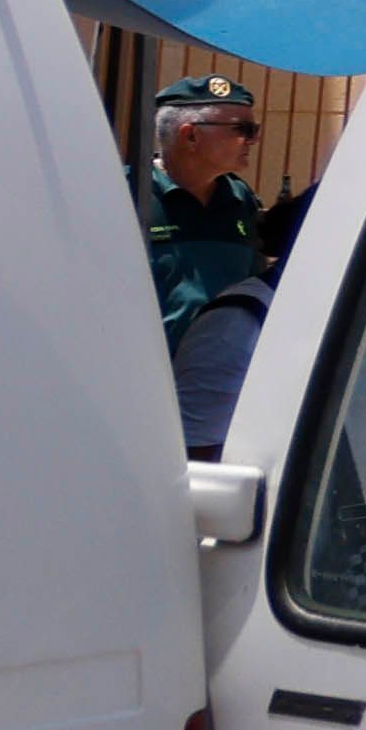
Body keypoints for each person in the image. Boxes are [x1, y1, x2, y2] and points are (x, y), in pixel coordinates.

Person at [135, 74, 297, 462]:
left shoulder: (240, 199)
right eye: (243, 129)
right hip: (145, 394)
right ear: (190, 136)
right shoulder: (130, 192)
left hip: (216, 396)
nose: (253, 139)